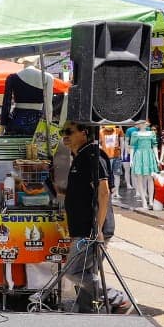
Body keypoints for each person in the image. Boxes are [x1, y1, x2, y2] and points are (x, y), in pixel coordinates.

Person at [57, 122, 128, 312]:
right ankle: (88, 310)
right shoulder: (81, 156)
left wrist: (97, 228)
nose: (65, 135)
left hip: (91, 229)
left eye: (69, 132)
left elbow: (103, 193)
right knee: (87, 273)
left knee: (74, 271)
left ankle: (118, 298)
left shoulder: (92, 155)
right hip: (83, 227)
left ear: (84, 132)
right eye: (62, 132)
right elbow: (84, 191)